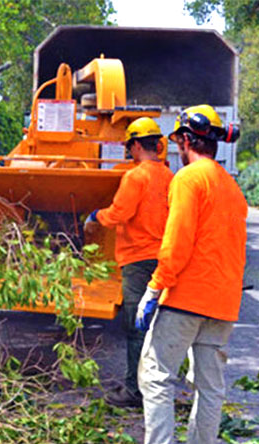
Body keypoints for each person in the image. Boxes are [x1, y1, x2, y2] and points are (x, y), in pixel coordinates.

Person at [134, 104, 244, 444]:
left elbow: (177, 242)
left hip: (185, 299)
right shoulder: (232, 188)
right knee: (210, 389)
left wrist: (153, 289)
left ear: (185, 140)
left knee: (156, 377)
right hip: (223, 305)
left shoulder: (188, 178)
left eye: (178, 141)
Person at [83, 117, 174, 407]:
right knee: (157, 325)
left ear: (135, 145)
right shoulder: (169, 176)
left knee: (136, 326)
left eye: (129, 147)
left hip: (137, 260)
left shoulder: (135, 177)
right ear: (157, 144)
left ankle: (134, 392)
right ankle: (157, 384)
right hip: (163, 259)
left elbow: (118, 214)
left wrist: (95, 216)